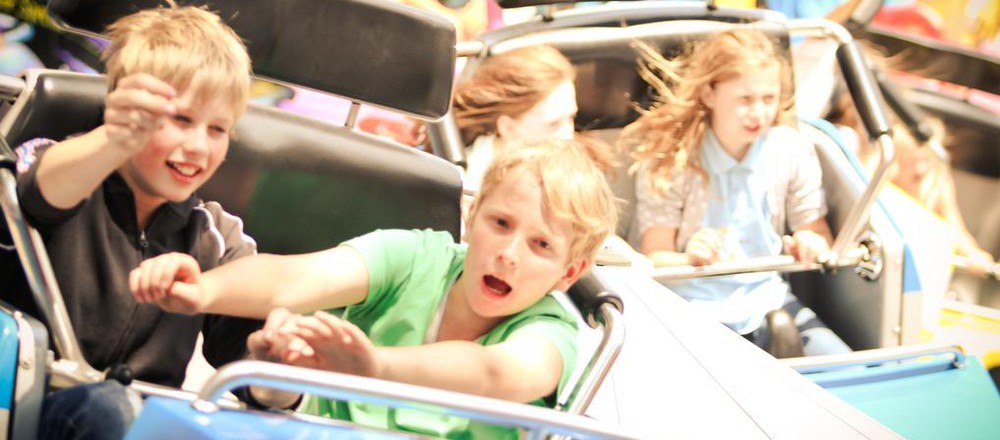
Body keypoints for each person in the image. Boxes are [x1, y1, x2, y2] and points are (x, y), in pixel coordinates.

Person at [130, 139, 619, 438]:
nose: (509, 253)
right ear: (472, 218)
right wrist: (203, 290)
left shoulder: (550, 333)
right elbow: (295, 278)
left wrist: (372, 368)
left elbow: (494, 372)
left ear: (568, 273)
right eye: (501, 223)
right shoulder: (414, 256)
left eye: (540, 245)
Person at [0, 2, 258, 439]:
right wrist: (115, 139)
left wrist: (280, 360)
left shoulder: (217, 235)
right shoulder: (57, 164)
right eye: (180, 119)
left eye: (217, 129)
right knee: (110, 408)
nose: (199, 146)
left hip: (143, 425)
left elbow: (251, 367)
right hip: (32, 407)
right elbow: (38, 193)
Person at [619, 28, 851, 356]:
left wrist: (810, 242)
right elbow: (655, 256)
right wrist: (690, 257)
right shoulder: (671, 161)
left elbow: (815, 231)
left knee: (847, 367)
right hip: (691, 307)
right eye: (745, 100)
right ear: (708, 94)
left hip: (770, 299)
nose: (759, 113)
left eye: (768, 99)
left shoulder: (790, 149)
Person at [451, 44, 579, 192]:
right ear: (508, 128)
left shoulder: (575, 169)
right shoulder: (470, 186)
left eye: (571, 118)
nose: (569, 136)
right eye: (553, 124)